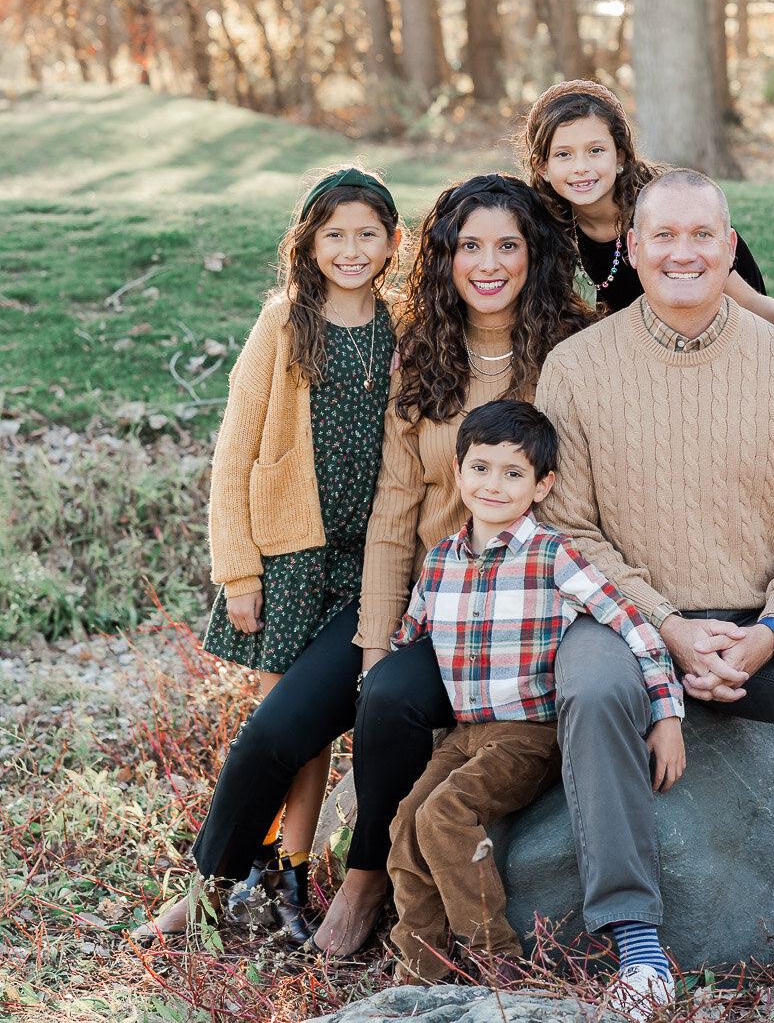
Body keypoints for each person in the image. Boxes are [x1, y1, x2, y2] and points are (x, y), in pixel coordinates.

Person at [535, 167, 774, 1020]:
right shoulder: (576, 367)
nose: (682, 252)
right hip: (628, 620)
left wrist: (772, 631)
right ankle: (637, 947)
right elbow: (570, 533)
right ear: (631, 248)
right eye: (662, 236)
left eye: (702, 235)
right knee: (595, 690)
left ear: (729, 246)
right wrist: (670, 628)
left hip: (762, 617)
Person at [312, 175, 592, 957]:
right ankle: (370, 882)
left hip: (544, 601)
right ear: (444, 256)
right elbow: (393, 513)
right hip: (451, 600)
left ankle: (486, 954)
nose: (489, 261)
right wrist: (375, 644)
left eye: (508, 244)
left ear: (536, 254)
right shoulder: (424, 351)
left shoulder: (577, 347)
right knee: (387, 696)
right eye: (470, 245)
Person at [134, 165, 401, 947]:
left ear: (391, 242)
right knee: (285, 725)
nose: (351, 250)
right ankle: (230, 881)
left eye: (367, 235)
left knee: (319, 723)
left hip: (367, 563)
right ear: (310, 242)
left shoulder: (402, 327)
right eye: (334, 235)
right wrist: (237, 571)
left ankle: (285, 875)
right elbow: (233, 453)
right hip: (290, 557)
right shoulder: (286, 321)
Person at [386, 400, 684, 984]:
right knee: (405, 822)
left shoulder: (552, 555)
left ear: (542, 484)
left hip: (528, 735)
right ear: (457, 470)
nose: (493, 484)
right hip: (465, 736)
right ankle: (421, 972)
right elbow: (409, 635)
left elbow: (632, 624)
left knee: (445, 815)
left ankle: (498, 967)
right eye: (481, 467)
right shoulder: (443, 558)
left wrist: (664, 714)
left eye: (514, 472)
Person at [521, 79, 774, 378]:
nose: (580, 167)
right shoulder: (550, 223)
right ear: (543, 167)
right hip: (649, 348)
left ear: (621, 157)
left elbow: (747, 302)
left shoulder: (664, 212)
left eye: (596, 150)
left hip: (713, 318)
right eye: (564, 154)